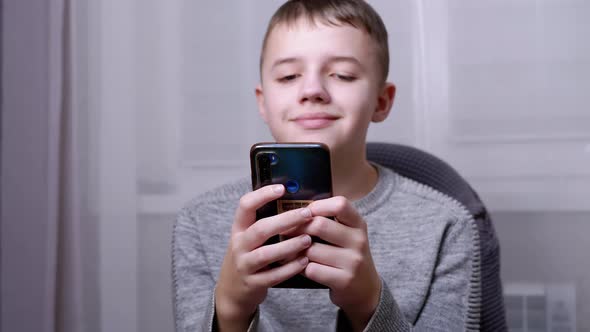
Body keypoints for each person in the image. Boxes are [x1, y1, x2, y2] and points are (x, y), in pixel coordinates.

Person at [172, 0, 481, 331]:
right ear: (263, 102)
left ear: (381, 101)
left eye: (343, 75)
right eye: (289, 75)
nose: (312, 90)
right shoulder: (200, 223)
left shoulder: (447, 225)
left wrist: (367, 303)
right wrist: (231, 307)